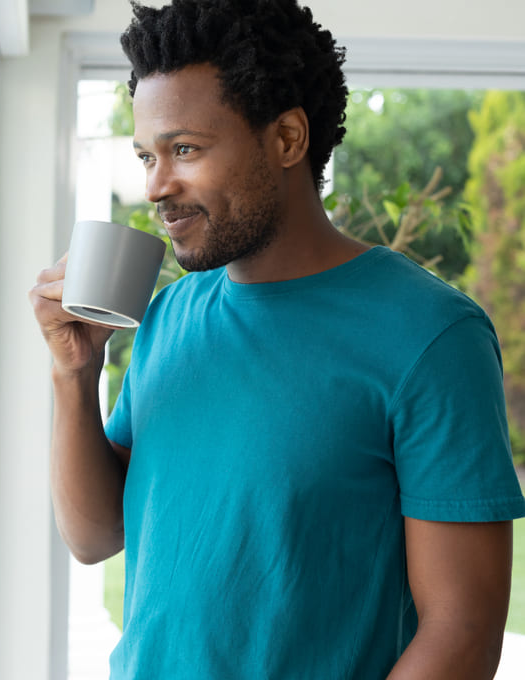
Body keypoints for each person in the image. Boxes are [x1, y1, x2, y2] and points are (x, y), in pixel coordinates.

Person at [28, 0, 525, 678]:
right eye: (147, 156)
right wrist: (74, 373)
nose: (155, 186)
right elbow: (94, 537)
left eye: (184, 149)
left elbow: (461, 634)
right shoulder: (168, 316)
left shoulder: (432, 335)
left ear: (288, 138)